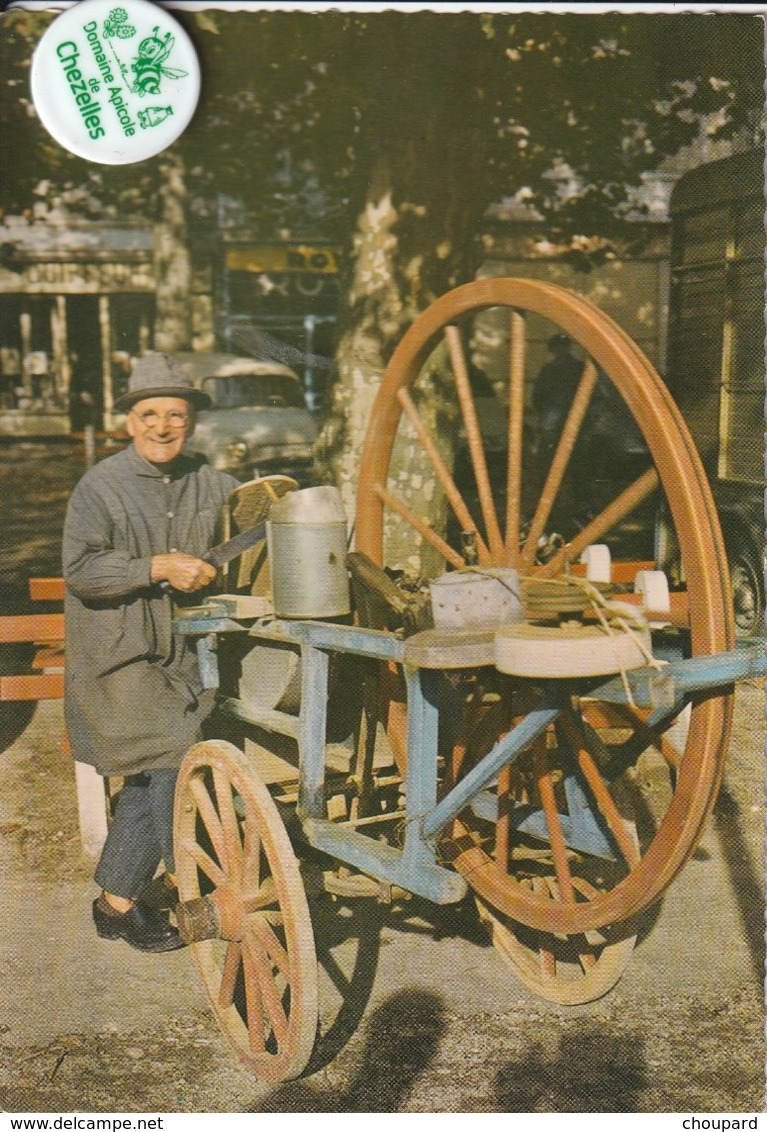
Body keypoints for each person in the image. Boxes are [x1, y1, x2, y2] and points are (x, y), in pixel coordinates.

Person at [63, 354, 239, 952]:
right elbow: (82, 570)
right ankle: (199, 881)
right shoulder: (101, 486)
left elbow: (256, 521)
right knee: (172, 751)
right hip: (118, 657)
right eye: (149, 414)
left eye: (175, 415)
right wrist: (155, 566)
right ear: (130, 421)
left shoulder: (210, 481)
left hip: (182, 656)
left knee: (152, 774)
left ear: (190, 422)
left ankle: (116, 904)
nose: (162, 426)